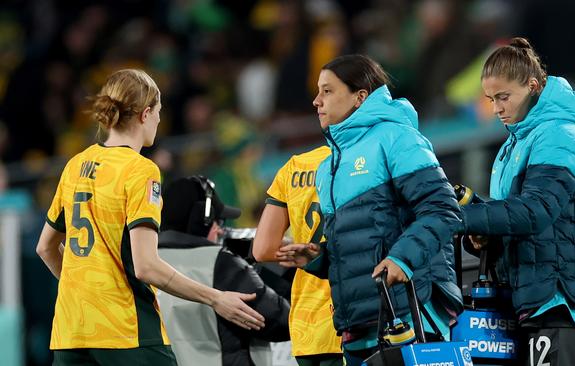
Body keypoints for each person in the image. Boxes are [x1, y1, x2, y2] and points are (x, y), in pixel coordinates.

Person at [35, 69, 264, 366]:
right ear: (145, 114)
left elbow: (45, 248)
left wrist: (84, 291)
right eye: (158, 111)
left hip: (70, 331)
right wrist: (215, 298)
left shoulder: (75, 166)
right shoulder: (140, 170)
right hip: (125, 330)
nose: (159, 118)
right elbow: (146, 267)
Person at [276, 55, 464, 366]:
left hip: (411, 313)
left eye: (327, 91)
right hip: (360, 324)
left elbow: (442, 209)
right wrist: (318, 259)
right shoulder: (329, 167)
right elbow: (355, 243)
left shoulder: (397, 137)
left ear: (360, 96)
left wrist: (403, 258)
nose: (315, 101)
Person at [458, 38, 575, 365]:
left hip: (563, 304)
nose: (497, 108)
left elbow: (536, 211)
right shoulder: (513, 145)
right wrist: (483, 235)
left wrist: (462, 218)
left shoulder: (559, 134)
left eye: (503, 97)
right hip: (532, 301)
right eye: (491, 99)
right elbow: (514, 221)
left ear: (531, 85)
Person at [157, 175, 290, 366]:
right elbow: (282, 322)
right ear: (201, 221)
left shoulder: (141, 265)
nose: (220, 230)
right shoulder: (221, 264)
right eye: (217, 222)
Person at [253, 146, 344, 366]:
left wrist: (303, 248)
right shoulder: (361, 159)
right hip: (347, 318)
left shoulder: (294, 166)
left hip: (307, 322)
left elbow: (262, 249)